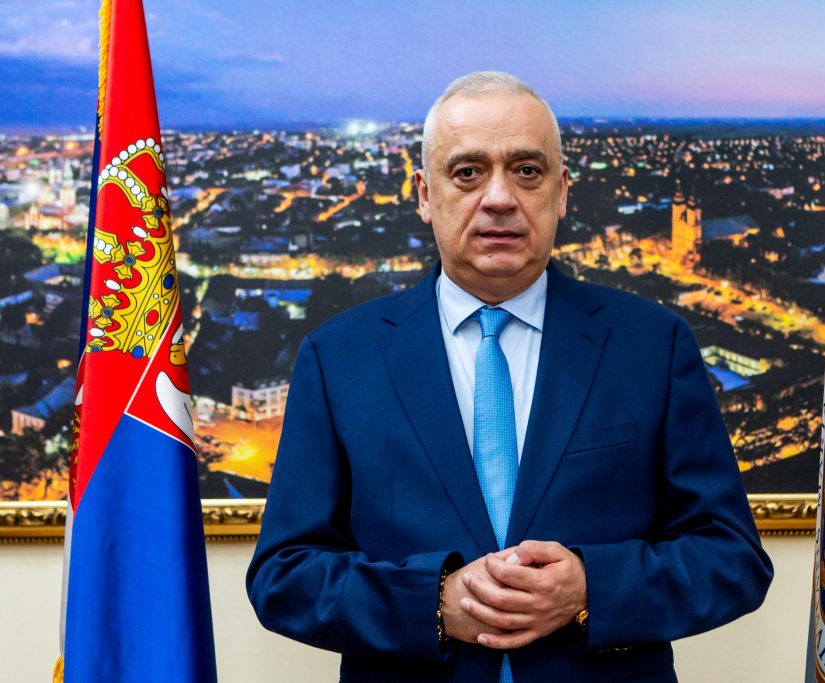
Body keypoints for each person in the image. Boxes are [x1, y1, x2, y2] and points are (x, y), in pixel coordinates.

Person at [247, 71, 773, 683]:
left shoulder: (652, 345)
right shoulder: (339, 357)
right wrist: (434, 604)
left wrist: (589, 590)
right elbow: (284, 575)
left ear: (561, 191)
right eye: (468, 172)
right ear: (424, 194)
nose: (499, 197)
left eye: (526, 170)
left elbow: (731, 557)